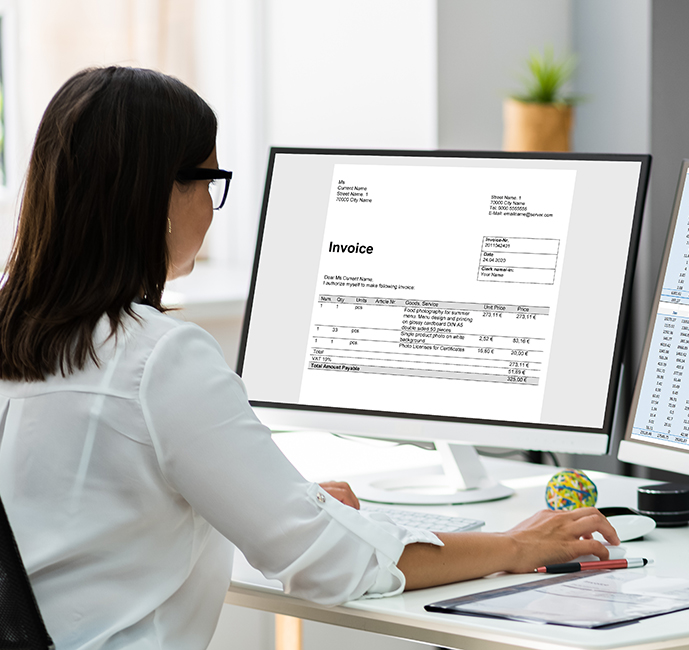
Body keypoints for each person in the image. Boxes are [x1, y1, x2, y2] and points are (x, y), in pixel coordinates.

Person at [0, 67, 618, 650]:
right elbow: (333, 566)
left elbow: (85, 515)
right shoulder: (158, 358)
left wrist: (279, 501)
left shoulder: (21, 335)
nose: (212, 206)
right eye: (210, 181)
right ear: (156, 195)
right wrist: (515, 546)